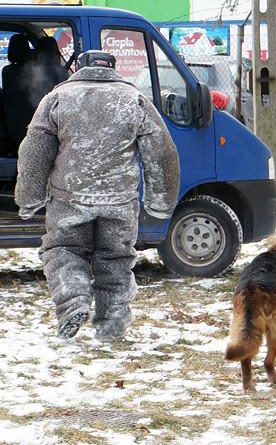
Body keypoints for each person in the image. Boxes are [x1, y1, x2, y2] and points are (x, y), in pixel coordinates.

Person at [15, 50, 180, 342]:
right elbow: (162, 150)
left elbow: (34, 152)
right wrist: (160, 201)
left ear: (78, 68)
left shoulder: (57, 98)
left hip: (69, 199)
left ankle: (73, 303)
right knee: (115, 260)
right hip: (119, 200)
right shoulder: (134, 99)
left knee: (63, 250)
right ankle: (111, 329)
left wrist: (29, 197)